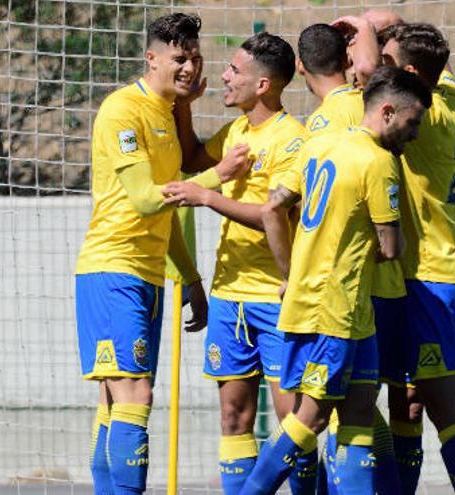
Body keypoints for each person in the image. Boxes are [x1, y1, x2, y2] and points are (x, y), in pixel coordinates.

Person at [74, 13, 251, 495]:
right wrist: (220, 177)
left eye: (194, 58)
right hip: (112, 270)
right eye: (178, 58)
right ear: (150, 58)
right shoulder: (122, 110)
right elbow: (147, 198)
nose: (189, 67)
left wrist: (190, 279)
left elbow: (165, 212)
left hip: (148, 273)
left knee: (116, 403)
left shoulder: (167, 114)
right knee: (136, 395)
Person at [243, 65, 432, 495]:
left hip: (345, 307)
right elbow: (389, 249)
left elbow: (274, 207)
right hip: (335, 307)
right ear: (387, 111)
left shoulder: (320, 143)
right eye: (412, 121)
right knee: (311, 416)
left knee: (361, 412)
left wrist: (292, 273)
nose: (415, 133)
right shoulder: (379, 161)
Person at [162, 33, 311, 494]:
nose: (223, 76)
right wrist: (184, 103)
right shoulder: (237, 131)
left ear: (263, 84)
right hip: (230, 296)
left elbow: (276, 215)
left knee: (292, 419)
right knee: (234, 417)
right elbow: (190, 158)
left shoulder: (292, 139)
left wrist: (207, 197)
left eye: (234, 70)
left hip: (276, 297)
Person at [380, 21, 455, 494]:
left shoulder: (429, 115)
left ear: (407, 73)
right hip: (426, 277)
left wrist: (364, 27)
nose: (378, 68)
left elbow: (368, 68)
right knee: (406, 402)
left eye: (389, 64)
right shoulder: (451, 93)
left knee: (447, 408)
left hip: (431, 280)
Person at [296, 21, 403, 494]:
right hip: (367, 285)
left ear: (300, 66)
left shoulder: (321, 122)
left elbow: (284, 203)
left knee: (320, 412)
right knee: (360, 407)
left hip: (337, 288)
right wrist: (366, 24)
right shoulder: (359, 106)